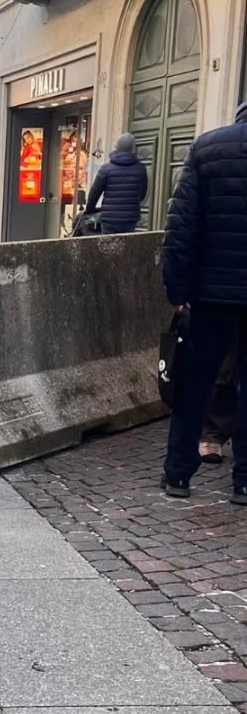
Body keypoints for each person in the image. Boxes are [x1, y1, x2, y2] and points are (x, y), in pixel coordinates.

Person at [161, 101, 247, 501]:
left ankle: (179, 475)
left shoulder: (206, 148)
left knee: (193, 386)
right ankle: (244, 482)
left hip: (209, 296)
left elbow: (181, 228)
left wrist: (177, 293)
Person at [84, 133, 148, 234]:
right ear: (132, 148)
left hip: (109, 219)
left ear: (117, 147)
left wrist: (90, 210)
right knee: (127, 247)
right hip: (130, 219)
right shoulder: (140, 169)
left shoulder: (106, 169)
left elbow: (94, 193)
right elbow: (142, 194)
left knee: (108, 247)